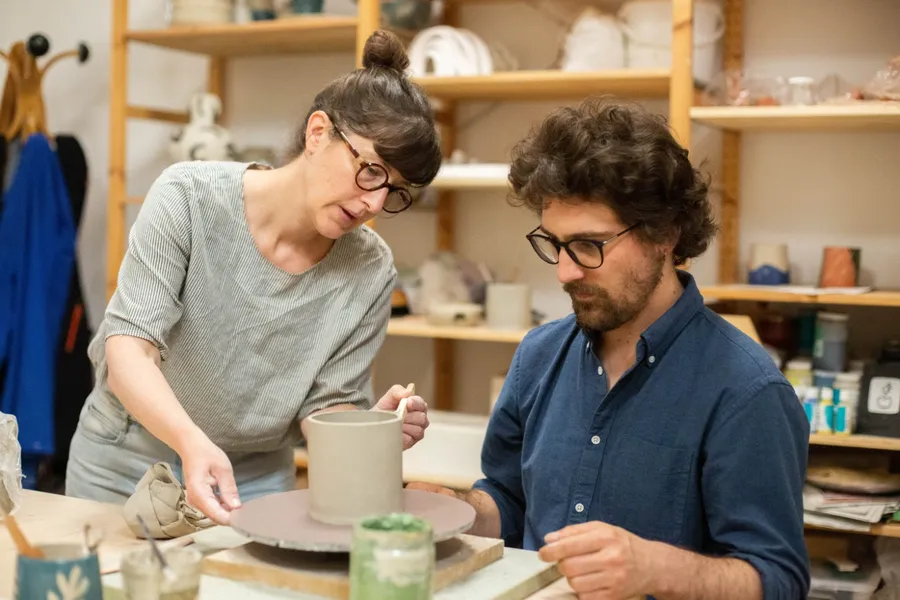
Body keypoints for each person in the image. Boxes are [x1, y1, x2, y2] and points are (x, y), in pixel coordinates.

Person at [408, 100, 810, 599]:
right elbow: (511, 499)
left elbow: (779, 581)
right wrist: (458, 512)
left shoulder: (747, 391)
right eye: (555, 244)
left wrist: (657, 569)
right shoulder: (538, 355)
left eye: (589, 245)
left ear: (663, 233)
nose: (565, 272)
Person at [65, 30, 441, 526]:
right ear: (317, 132)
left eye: (394, 190)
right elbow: (129, 349)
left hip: (254, 479)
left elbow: (326, 406)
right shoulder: (188, 198)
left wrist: (370, 428)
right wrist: (192, 443)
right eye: (371, 170)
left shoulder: (371, 269)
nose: (374, 204)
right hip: (125, 460)